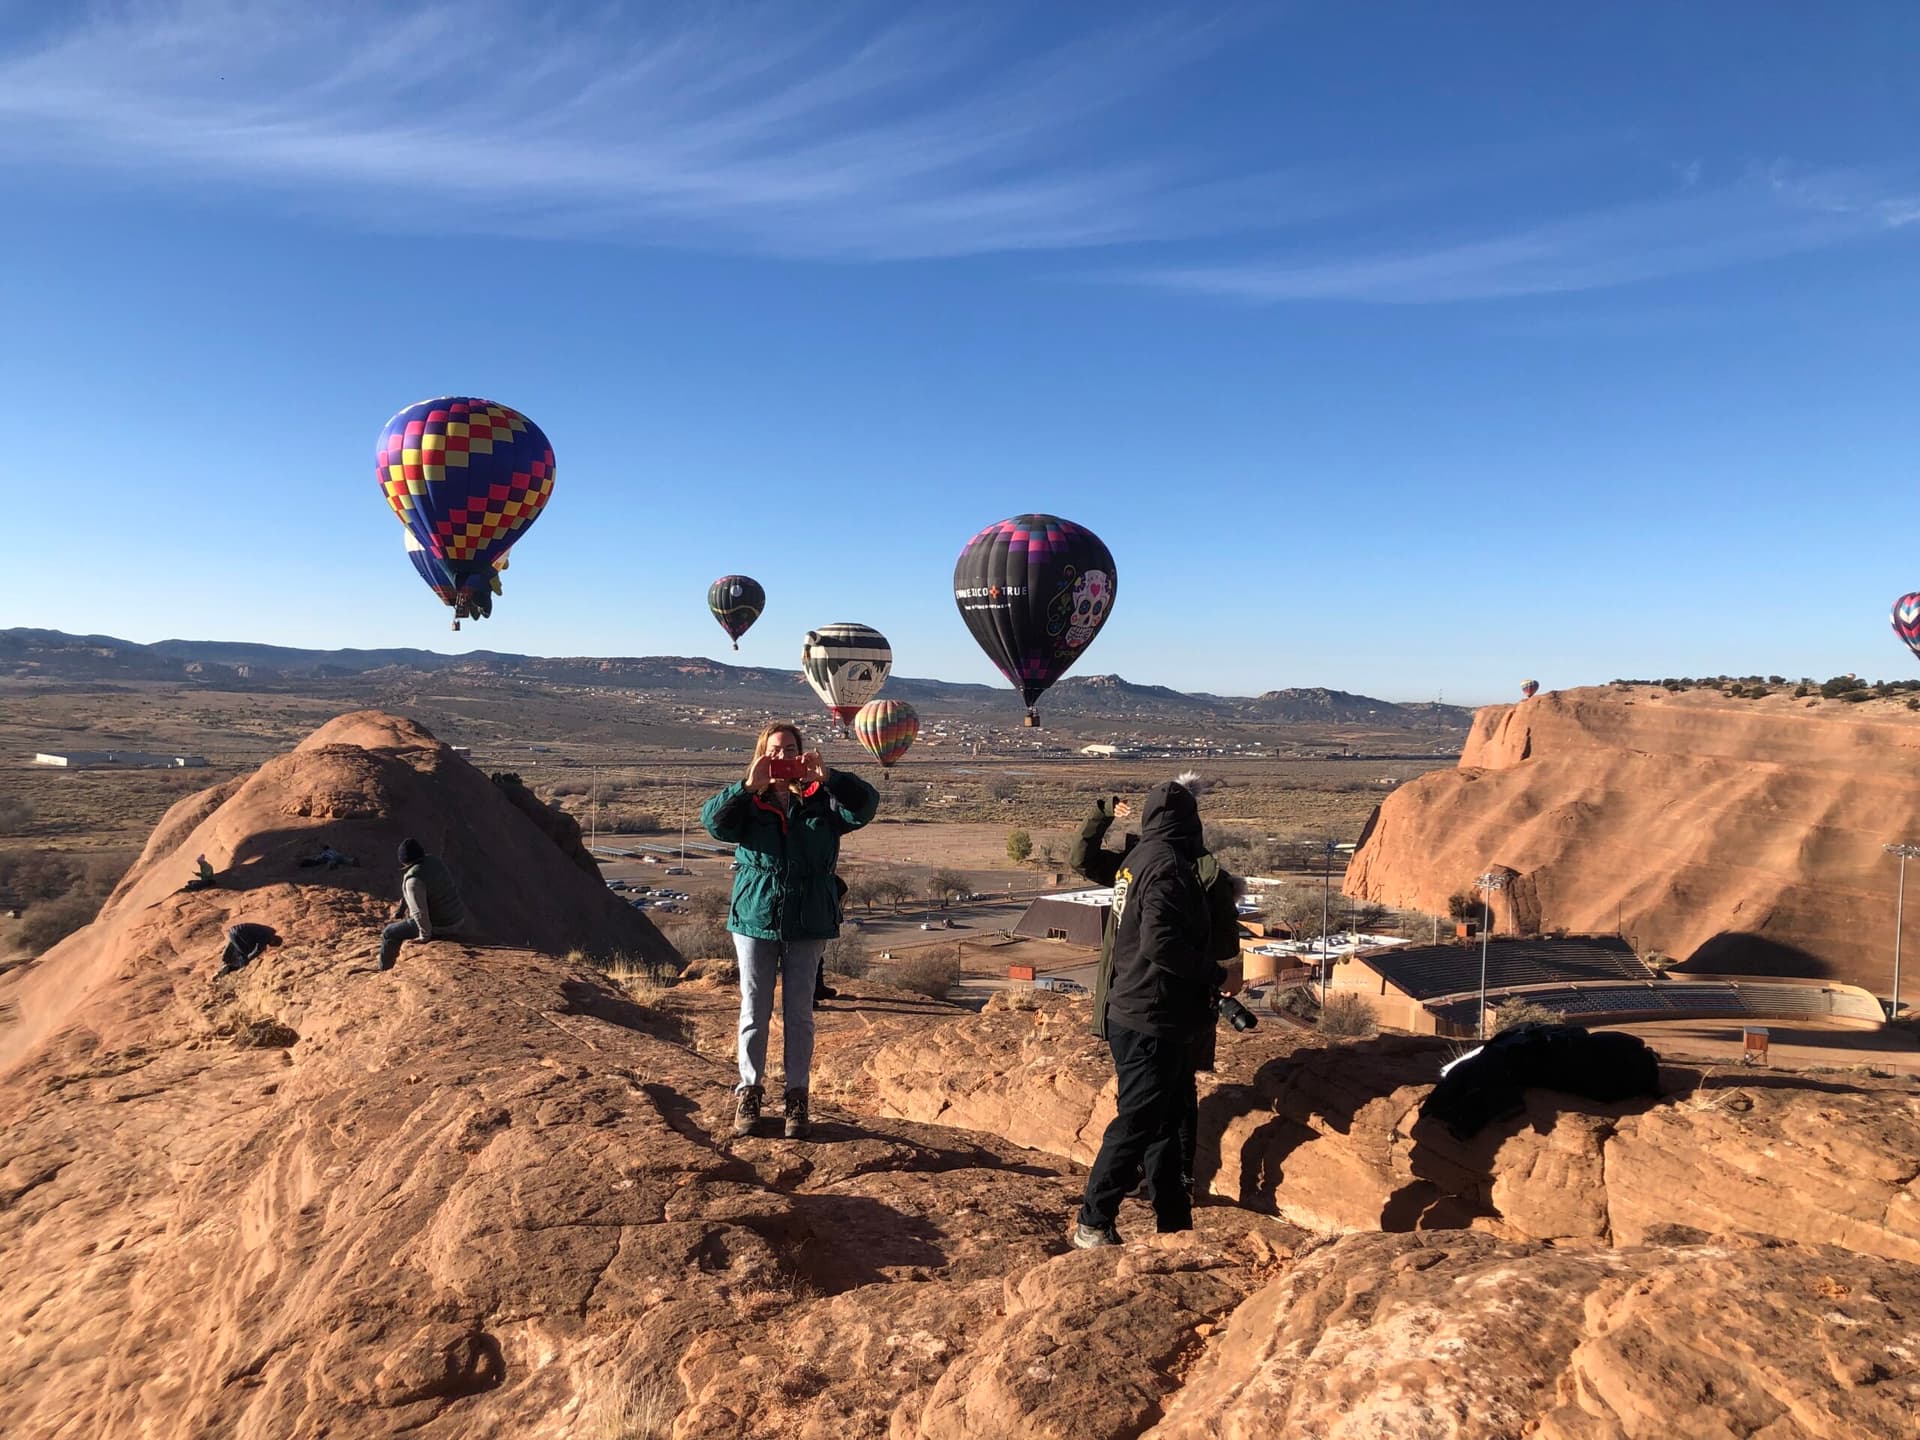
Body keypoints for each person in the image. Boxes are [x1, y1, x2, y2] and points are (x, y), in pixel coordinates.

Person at [1073, 775, 1242, 1248]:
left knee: (1165, 1125)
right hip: (1151, 1013)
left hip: (1146, 1011)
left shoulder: (1140, 858)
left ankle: (1174, 1225)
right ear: (1192, 823)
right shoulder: (1168, 867)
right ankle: (1092, 1221)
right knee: (1139, 1122)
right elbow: (1161, 943)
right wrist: (1217, 975)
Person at [702, 720, 878, 1140]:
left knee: (799, 1014)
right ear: (762, 753)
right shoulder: (748, 801)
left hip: (808, 918)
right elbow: (714, 824)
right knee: (754, 1009)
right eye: (775, 750)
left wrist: (830, 777)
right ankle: (750, 1091)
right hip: (755, 916)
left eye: (790, 750)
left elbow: (865, 807)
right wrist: (746, 786)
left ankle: (797, 1097)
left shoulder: (823, 801)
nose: (783, 758)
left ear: (802, 753)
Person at [378, 838, 469, 971]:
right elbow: (412, 895)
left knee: (389, 933)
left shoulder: (414, 880)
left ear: (403, 860)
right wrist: (401, 910)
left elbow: (419, 912)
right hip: (457, 917)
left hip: (440, 924)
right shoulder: (435, 862)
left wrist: (424, 936)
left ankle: (384, 970)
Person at [216, 923, 282, 976]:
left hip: (233, 931)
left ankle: (225, 964)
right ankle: (232, 969)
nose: (269, 945)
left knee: (236, 947)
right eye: (272, 944)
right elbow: (258, 949)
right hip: (241, 934)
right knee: (245, 955)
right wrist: (249, 958)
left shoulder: (268, 930)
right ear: (273, 941)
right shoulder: (267, 937)